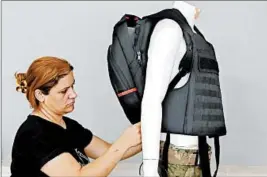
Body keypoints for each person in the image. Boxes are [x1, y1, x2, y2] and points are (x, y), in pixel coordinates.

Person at [11, 56, 142, 177]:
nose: (73, 94)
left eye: (72, 86)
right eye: (63, 91)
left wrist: (154, 142)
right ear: (40, 95)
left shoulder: (67, 126)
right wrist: (124, 143)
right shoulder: (34, 135)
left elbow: (107, 151)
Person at [141, 1, 211, 177]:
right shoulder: (169, 29)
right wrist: (149, 167)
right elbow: (151, 100)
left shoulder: (193, 34)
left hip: (199, 156)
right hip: (177, 160)